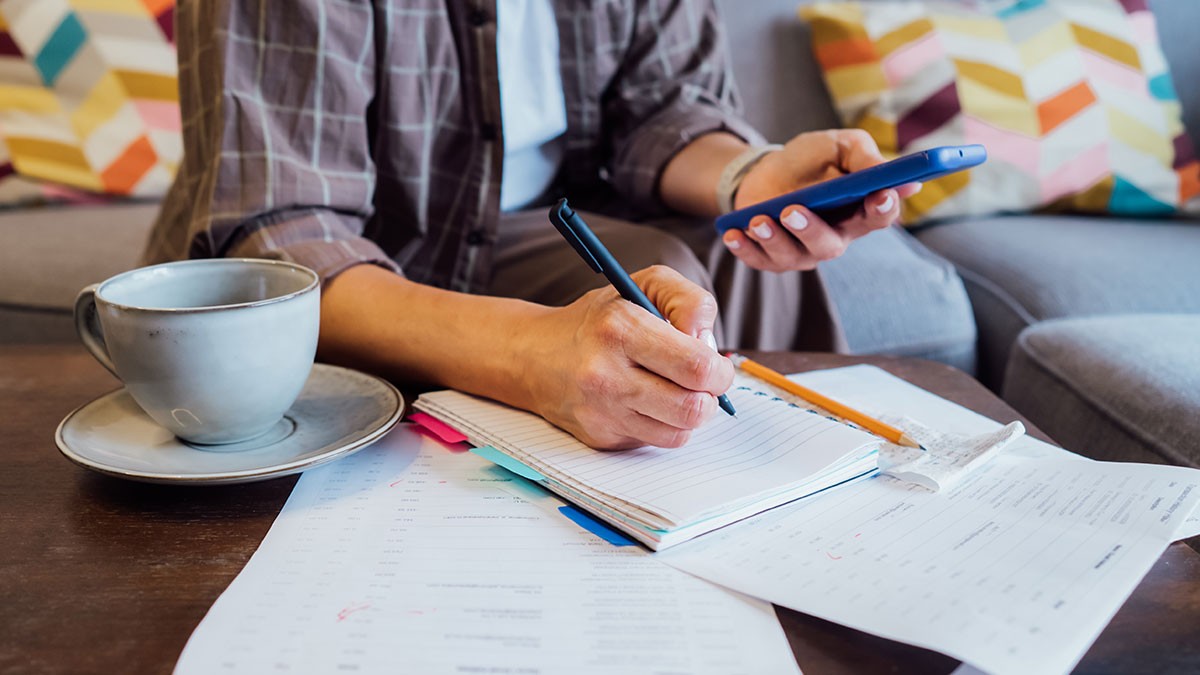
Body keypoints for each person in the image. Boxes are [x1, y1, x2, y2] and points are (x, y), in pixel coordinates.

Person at [144, 0, 916, 450]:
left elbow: (663, 108)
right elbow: (285, 242)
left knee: (723, 254)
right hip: (369, 261)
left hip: (536, 221)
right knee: (652, 297)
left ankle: (772, 511)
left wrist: (750, 175)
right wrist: (526, 353)